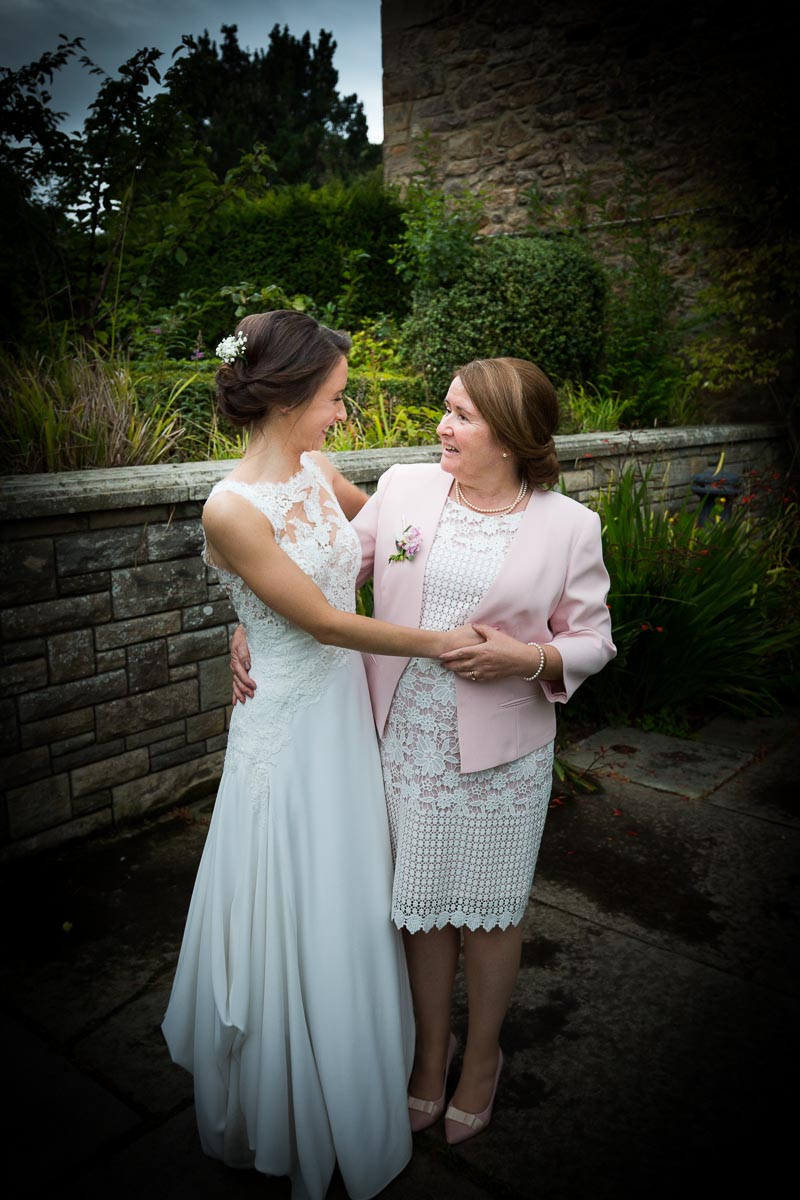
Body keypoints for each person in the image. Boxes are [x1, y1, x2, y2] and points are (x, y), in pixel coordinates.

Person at [231, 354, 616, 1146]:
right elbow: (328, 571)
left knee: (491, 914)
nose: (442, 426)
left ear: (509, 434)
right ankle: (428, 1055)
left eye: (462, 416)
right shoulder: (405, 489)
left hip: (503, 755)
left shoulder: (570, 526)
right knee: (418, 910)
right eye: (446, 408)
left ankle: (482, 1059)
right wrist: (252, 618)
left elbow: (593, 640)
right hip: (400, 739)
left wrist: (528, 659)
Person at [161, 309, 481, 1200]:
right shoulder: (230, 508)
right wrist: (444, 643)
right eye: (335, 397)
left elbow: (382, 545)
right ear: (289, 396)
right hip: (289, 731)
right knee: (300, 891)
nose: (344, 413)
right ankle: (298, 1098)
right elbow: (325, 621)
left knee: (354, 883)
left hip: (344, 713)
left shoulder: (317, 469)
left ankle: (370, 1055)